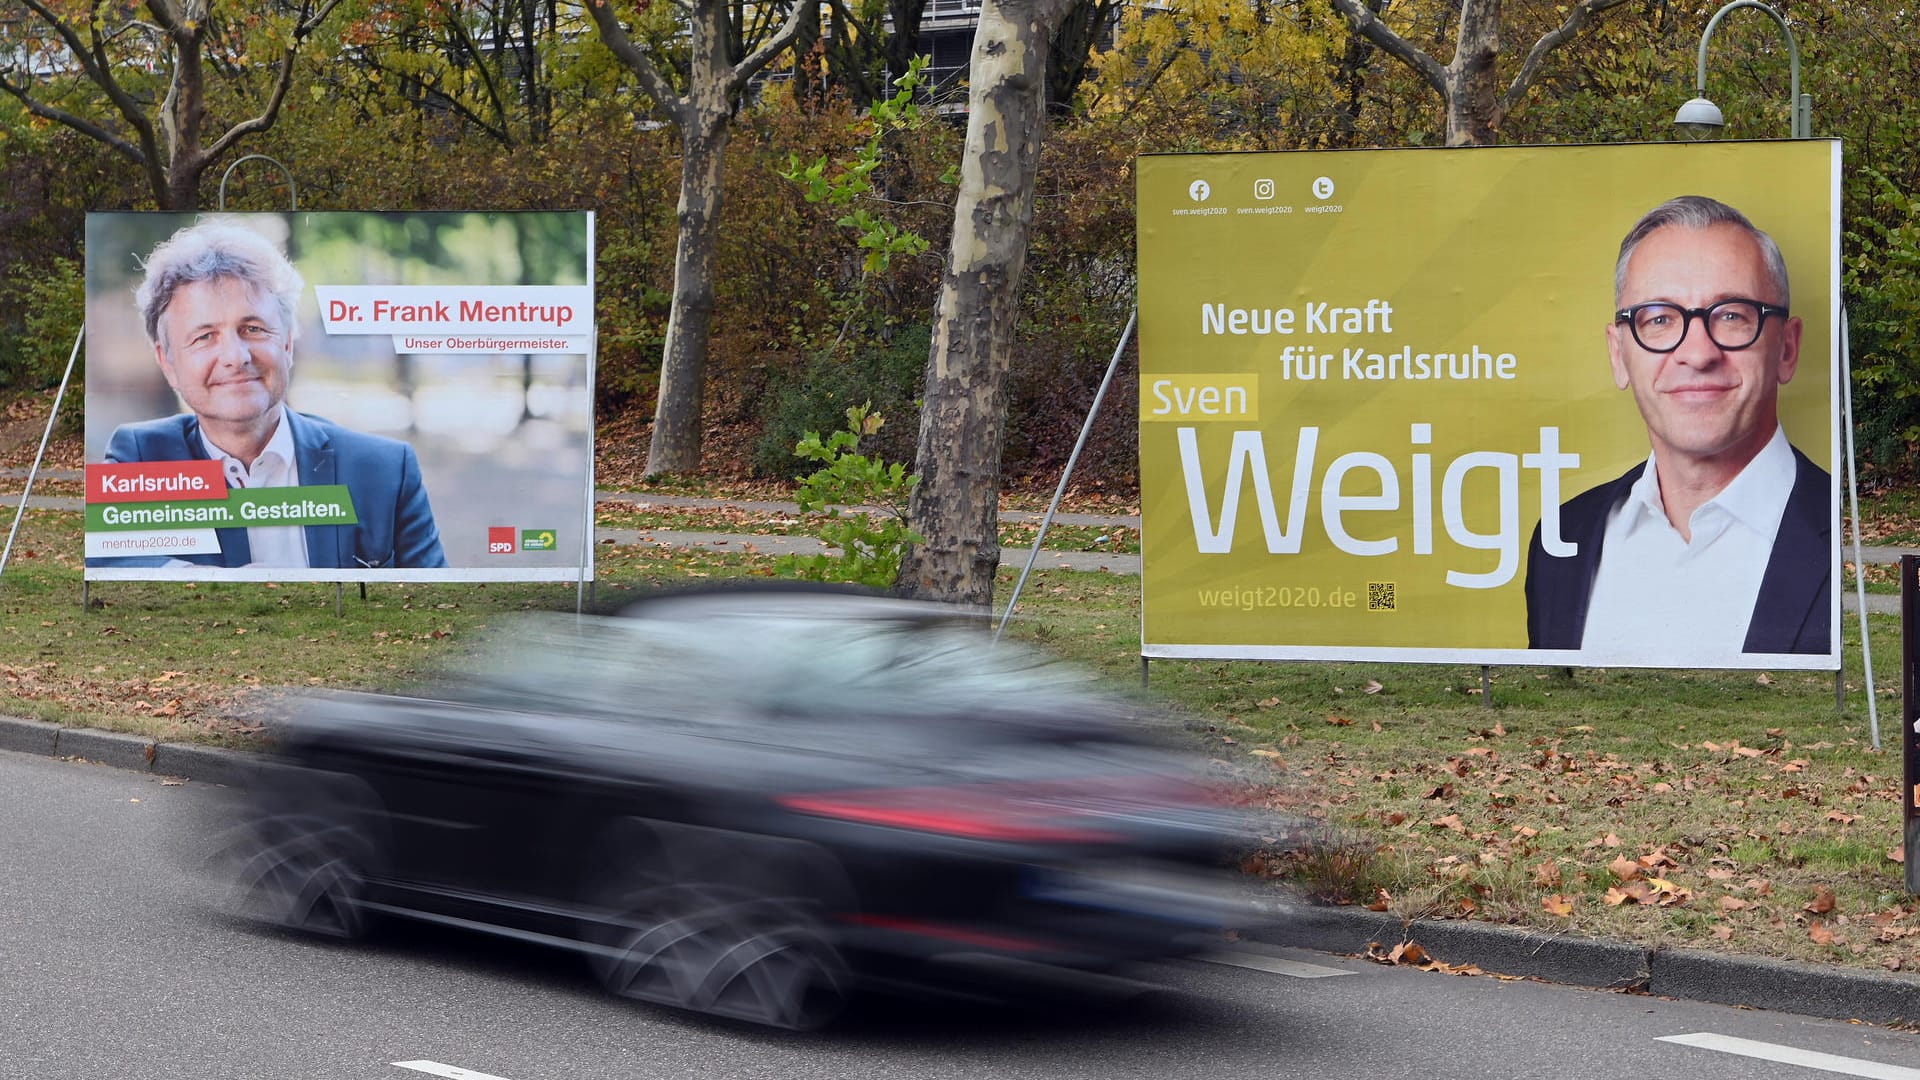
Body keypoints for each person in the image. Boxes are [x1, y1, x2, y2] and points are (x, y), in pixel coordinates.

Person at [1525, 195, 1830, 657]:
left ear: (1786, 349)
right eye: (1660, 319)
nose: (1698, 353)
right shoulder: (1562, 540)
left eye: (1731, 315)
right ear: (1618, 355)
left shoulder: (1854, 539)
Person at [90, 220, 446, 569]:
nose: (236, 357)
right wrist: (213, 586)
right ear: (167, 362)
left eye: (254, 328)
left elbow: (437, 609)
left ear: (288, 343)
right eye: (204, 337)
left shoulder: (385, 470)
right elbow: (107, 558)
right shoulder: (142, 457)